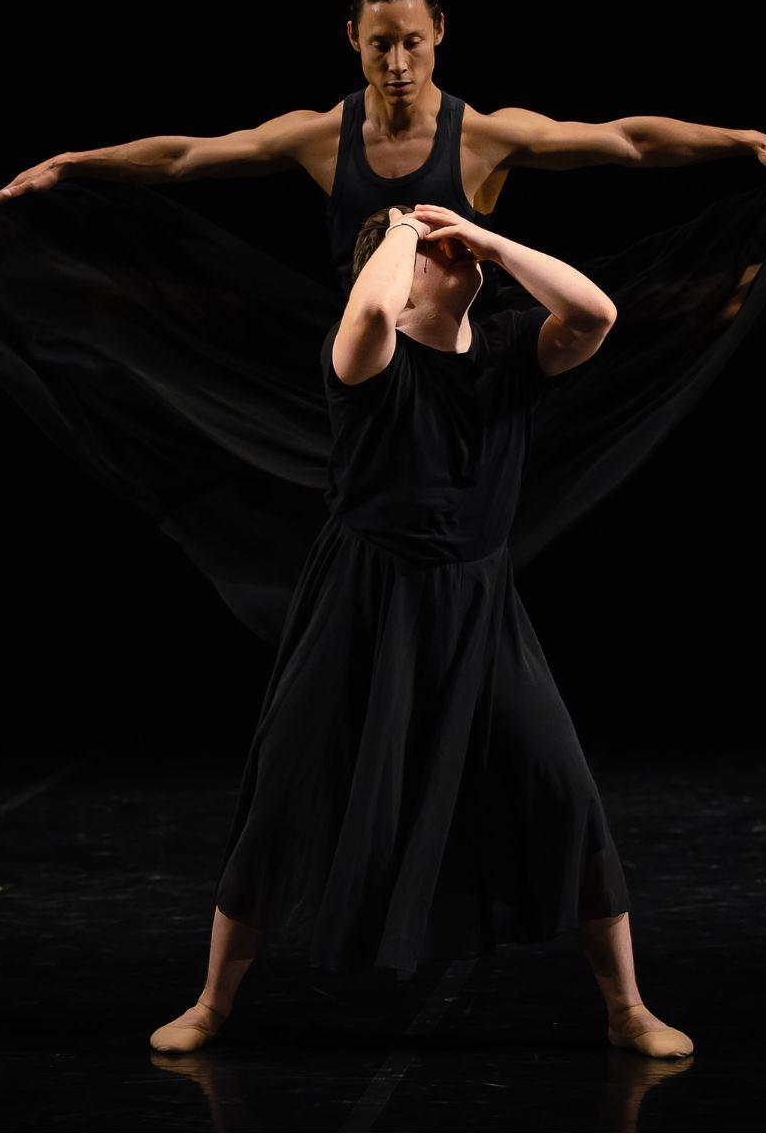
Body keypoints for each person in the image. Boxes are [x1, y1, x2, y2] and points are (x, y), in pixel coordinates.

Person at [0, 0, 766, 645]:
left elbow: (626, 139)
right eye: (378, 45)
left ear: (440, 34)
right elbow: (187, 156)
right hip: (367, 361)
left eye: (411, 41)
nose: (397, 62)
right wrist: (63, 164)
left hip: (475, 362)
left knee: (651, 316)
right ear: (352, 44)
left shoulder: (482, 132)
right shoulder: (324, 133)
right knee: (173, 307)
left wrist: (746, 142)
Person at [145, 203, 695, 1058]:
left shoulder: (512, 350)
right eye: (440, 251)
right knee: (291, 780)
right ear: (401, 277)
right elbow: (367, 311)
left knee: (559, 783)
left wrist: (495, 244)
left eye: (454, 241)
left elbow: (595, 315)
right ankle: (213, 1002)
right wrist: (401, 228)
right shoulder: (369, 357)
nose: (456, 251)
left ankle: (627, 1007)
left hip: (478, 604)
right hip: (362, 598)